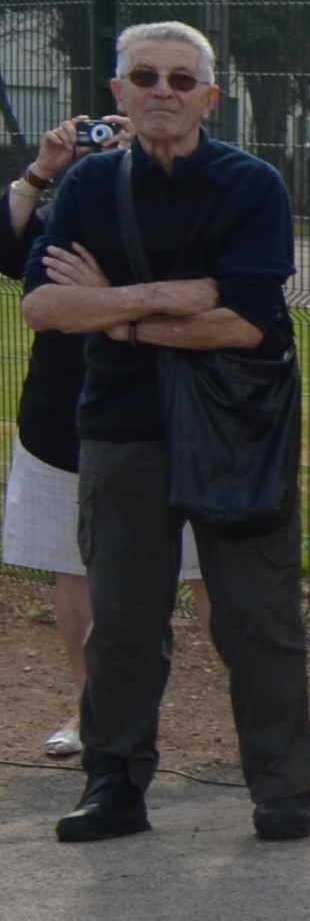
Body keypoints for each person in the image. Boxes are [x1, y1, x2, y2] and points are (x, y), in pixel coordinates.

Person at [18, 22, 310, 844]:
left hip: (236, 431)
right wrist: (167, 296)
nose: (163, 92)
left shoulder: (251, 186)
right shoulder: (85, 189)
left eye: (182, 81)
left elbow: (248, 324)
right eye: (144, 76)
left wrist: (116, 317)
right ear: (118, 93)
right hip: (119, 430)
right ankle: (113, 783)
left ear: (208, 98)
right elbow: (43, 306)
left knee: (256, 615)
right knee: (120, 620)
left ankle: (283, 791)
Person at [11, 100, 195, 766]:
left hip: (183, 416)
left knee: (214, 576)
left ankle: (259, 717)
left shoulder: (207, 190)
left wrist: (104, 298)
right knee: (75, 564)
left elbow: (208, 292)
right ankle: (93, 711)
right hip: (67, 416)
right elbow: (30, 280)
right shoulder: (75, 201)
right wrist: (42, 174)